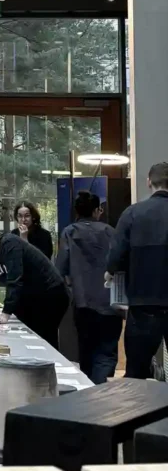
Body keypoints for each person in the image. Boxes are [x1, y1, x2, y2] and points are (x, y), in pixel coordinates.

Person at [106, 161, 168, 378]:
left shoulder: (133, 213)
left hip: (143, 305)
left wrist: (110, 271)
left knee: (136, 372)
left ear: (149, 182)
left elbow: (116, 255)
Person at [0, 219, 69, 347]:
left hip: (50, 294)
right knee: (27, 337)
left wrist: (6, 313)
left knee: (44, 339)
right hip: (31, 296)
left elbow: (15, 280)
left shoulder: (10, 244)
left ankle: (51, 358)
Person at [56, 190, 119, 383]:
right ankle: (101, 387)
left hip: (82, 302)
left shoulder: (70, 232)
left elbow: (60, 267)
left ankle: (89, 389)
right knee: (106, 352)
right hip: (110, 302)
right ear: (96, 210)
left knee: (86, 350)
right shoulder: (110, 231)